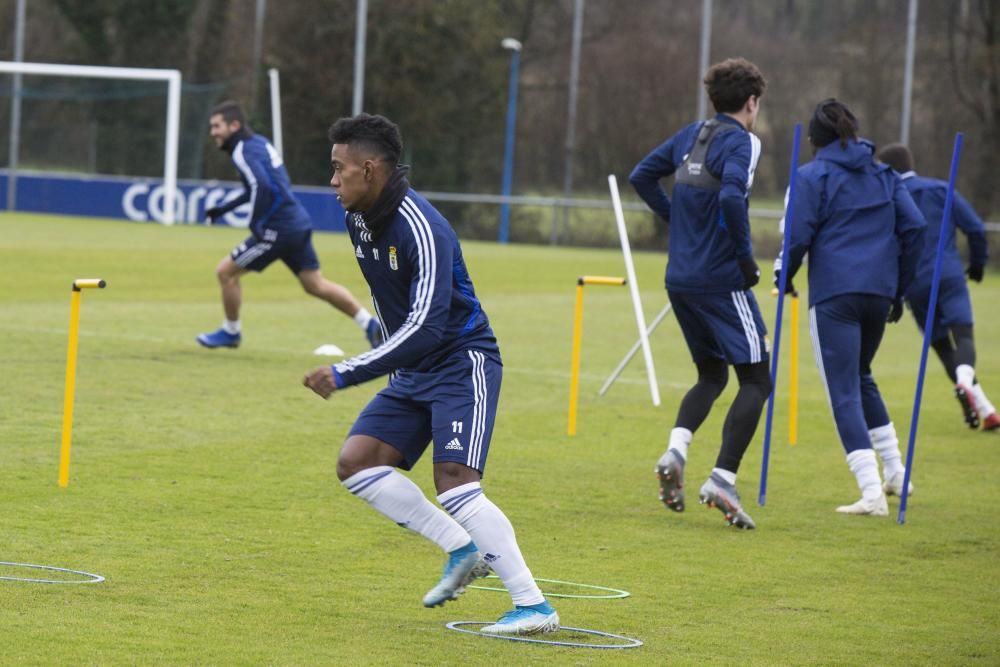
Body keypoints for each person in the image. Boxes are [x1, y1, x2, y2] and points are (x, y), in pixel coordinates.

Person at [303, 113, 559, 635]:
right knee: (357, 464)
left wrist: (348, 371)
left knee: (456, 483)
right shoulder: (357, 218)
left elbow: (425, 327)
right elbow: (394, 305)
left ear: (369, 169)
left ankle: (534, 607)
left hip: (462, 362)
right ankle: (463, 548)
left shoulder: (424, 227)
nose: (332, 181)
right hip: (414, 367)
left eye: (338, 169)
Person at [630, 57, 771, 530]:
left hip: (681, 278)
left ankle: (676, 450)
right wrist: (747, 261)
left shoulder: (693, 133)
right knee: (756, 378)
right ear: (752, 102)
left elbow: (642, 176)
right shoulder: (744, 142)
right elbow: (732, 197)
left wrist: (677, 221)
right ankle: (722, 479)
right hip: (719, 279)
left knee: (712, 375)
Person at [776, 99, 926, 516]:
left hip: (835, 295)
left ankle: (872, 492)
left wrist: (783, 276)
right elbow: (915, 227)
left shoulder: (812, 175)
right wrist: (900, 288)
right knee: (861, 377)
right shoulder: (886, 174)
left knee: (843, 390)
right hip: (879, 293)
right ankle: (896, 472)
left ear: (813, 141)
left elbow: (798, 234)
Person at [195, 100, 382, 350]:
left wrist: (256, 222)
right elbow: (260, 185)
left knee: (225, 273)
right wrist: (224, 209)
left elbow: (261, 185)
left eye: (217, 126)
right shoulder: (258, 143)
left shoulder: (242, 150)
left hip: (278, 227)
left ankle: (231, 332)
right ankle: (369, 324)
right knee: (314, 284)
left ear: (234, 125)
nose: (213, 132)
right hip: (296, 222)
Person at [876, 143, 997, 431]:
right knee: (963, 337)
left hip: (916, 284)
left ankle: (985, 408)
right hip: (949, 276)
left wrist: (893, 292)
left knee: (943, 346)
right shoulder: (941, 190)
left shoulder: (889, 198)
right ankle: (967, 385)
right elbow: (976, 228)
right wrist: (978, 263)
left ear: (889, 169)